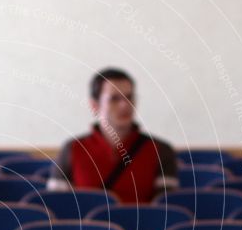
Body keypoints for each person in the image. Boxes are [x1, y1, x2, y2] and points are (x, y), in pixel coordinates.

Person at [50, 68, 178, 202]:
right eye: (114, 99)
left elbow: (164, 211)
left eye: (129, 97)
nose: (125, 105)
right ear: (94, 105)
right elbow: (58, 206)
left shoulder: (160, 150)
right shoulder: (72, 149)